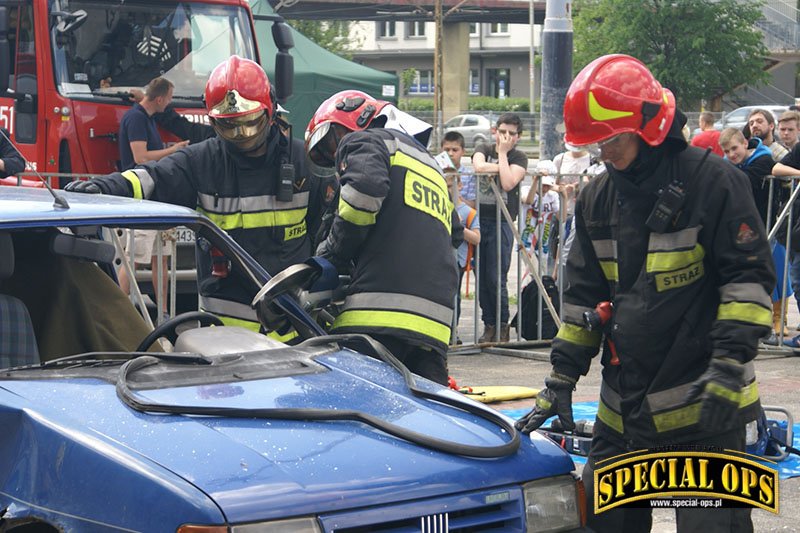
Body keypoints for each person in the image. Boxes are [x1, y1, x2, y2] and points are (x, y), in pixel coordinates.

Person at [515, 54, 775, 532]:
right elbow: (583, 305)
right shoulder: (598, 198)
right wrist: (561, 377)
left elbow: (749, 283)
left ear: (648, 128)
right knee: (604, 524)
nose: (604, 154)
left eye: (610, 140)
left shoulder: (715, 184)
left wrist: (727, 367)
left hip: (705, 407)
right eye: (595, 145)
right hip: (625, 408)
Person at [65, 56, 316, 331]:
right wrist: (105, 188)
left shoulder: (303, 161)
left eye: (249, 123)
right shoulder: (204, 160)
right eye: (228, 126)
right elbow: (152, 178)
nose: (241, 135)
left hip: (293, 332)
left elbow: (326, 230)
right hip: (225, 333)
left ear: (270, 112)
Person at [305, 90, 462, 385]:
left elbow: (360, 202)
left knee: (354, 409)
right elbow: (454, 232)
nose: (334, 155)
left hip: (376, 317)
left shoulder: (367, 140)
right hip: (434, 328)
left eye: (330, 142)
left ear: (355, 120)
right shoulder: (431, 166)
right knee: (430, 419)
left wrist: (329, 257)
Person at [117, 76, 188, 322]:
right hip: (141, 201)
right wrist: (173, 151)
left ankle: (164, 314)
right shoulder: (137, 119)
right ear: (159, 99)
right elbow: (140, 157)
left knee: (161, 258)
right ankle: (115, 310)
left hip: (153, 199)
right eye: (168, 98)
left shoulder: (142, 117)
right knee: (135, 257)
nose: (169, 104)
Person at [719, 127, 797, 345]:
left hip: (767, 228)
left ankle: (771, 323)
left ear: (745, 143)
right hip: (743, 232)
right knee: (749, 277)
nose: (732, 154)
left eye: (734, 148)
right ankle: (755, 324)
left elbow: (770, 171)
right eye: (727, 151)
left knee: (768, 277)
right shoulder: (729, 165)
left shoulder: (762, 160)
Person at [472, 113, 528, 343]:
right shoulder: (483, 146)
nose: (506, 137)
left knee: (496, 277)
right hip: (479, 220)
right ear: (495, 131)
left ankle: (502, 324)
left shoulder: (519, 156)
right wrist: (497, 166)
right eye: (502, 131)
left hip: (502, 221)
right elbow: (477, 166)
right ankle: (489, 324)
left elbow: (508, 182)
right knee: (481, 277)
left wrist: (502, 155)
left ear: (518, 136)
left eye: (511, 134)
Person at [439, 137, 480, 341]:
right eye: (447, 149)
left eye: (455, 149)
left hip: (459, 260)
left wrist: (458, 229)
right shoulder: (436, 203)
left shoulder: (467, 211)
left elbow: (476, 237)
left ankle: (453, 333)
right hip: (438, 257)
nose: (449, 187)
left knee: (454, 297)